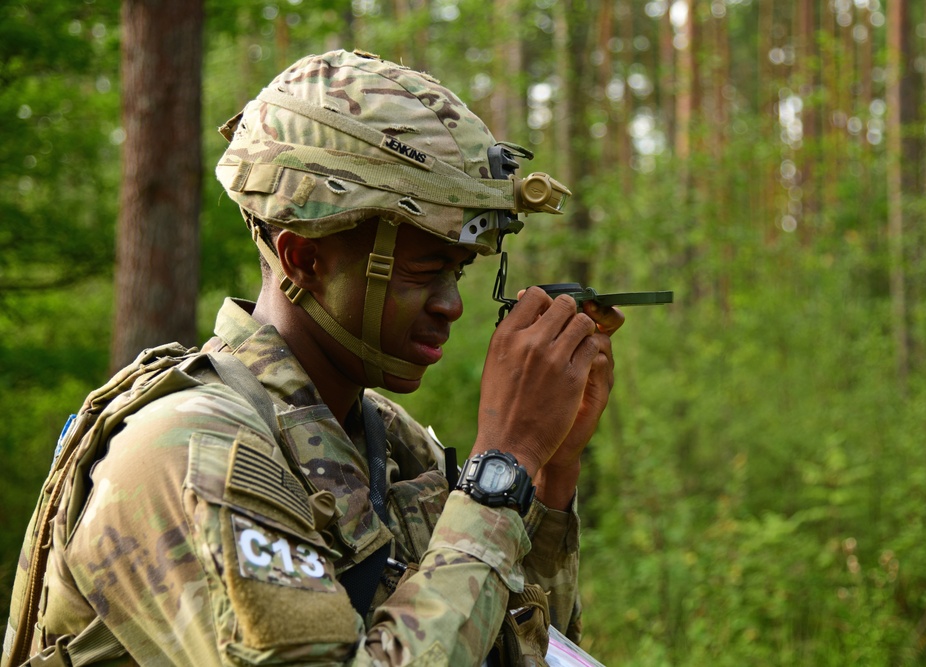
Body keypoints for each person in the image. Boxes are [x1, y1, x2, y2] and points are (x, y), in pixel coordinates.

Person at [7, 49, 623, 666]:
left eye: (457, 272)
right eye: (422, 271)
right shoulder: (195, 452)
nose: (451, 306)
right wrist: (503, 466)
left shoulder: (388, 444)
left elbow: (519, 648)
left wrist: (547, 474)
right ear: (304, 259)